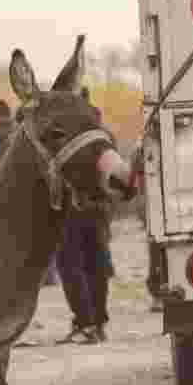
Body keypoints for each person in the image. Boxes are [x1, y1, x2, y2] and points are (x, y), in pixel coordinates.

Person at [55, 89, 114, 344]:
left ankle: (85, 322)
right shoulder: (104, 134)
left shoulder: (66, 136)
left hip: (72, 209)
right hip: (99, 209)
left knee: (71, 265)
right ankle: (98, 322)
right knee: (96, 263)